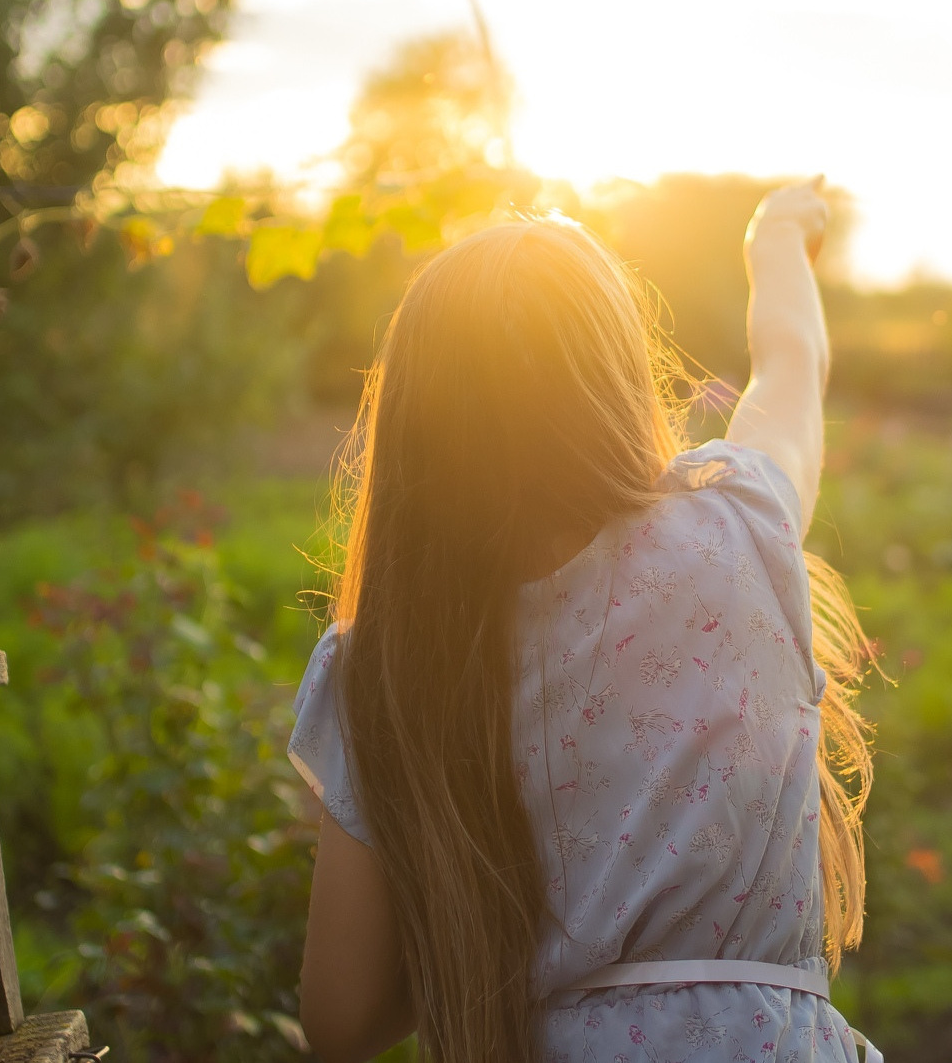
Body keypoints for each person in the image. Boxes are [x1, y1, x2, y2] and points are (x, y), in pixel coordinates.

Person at [290, 183, 877, 1063]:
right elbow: (790, 368)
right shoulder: (736, 527)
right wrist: (777, 238)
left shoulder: (390, 663)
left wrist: (490, 925)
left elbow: (341, 1017)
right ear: (617, 375)